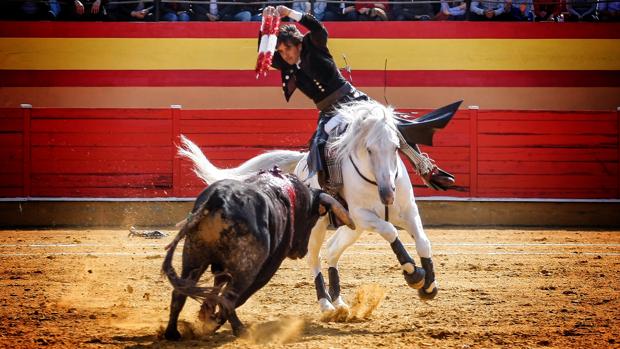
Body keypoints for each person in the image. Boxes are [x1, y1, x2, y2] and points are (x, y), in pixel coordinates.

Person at [264, 5, 455, 195]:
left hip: (353, 100)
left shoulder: (314, 46)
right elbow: (264, 54)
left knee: (393, 126)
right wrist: (266, 23)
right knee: (322, 148)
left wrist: (290, 13)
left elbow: (317, 27)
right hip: (329, 112)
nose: (285, 54)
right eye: (280, 51)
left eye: (288, 48)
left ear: (299, 43)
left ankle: (426, 169)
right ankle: (334, 193)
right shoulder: (287, 66)